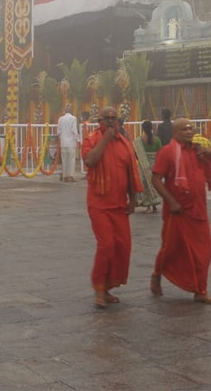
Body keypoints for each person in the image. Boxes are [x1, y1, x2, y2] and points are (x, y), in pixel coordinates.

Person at [150, 118, 211, 304]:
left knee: (204, 251)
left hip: (198, 210)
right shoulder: (167, 152)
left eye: (191, 128)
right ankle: (157, 274)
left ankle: (200, 290)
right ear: (175, 133)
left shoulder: (200, 150)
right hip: (177, 211)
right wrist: (171, 201)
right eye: (184, 129)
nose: (189, 131)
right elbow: (156, 180)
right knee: (170, 249)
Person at [81, 106, 144, 309]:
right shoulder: (91, 139)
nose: (110, 121)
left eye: (113, 118)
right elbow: (89, 160)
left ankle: (107, 288)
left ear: (118, 120)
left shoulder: (124, 143)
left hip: (119, 205)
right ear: (99, 120)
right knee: (106, 244)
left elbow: (131, 171)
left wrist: (132, 198)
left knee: (122, 247)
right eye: (106, 118)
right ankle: (99, 289)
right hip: (99, 203)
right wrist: (105, 140)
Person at [131, 120, 163, 213]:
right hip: (154, 165)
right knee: (153, 184)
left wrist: (142, 160)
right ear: (151, 128)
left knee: (145, 185)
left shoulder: (139, 141)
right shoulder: (157, 140)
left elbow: (135, 154)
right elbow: (160, 153)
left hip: (143, 165)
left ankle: (148, 205)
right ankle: (154, 204)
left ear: (143, 129)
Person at [57, 104, 80, 182]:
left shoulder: (60, 119)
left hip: (63, 142)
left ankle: (65, 176)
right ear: (71, 111)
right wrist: (78, 139)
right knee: (71, 159)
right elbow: (74, 130)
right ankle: (70, 176)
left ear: (65, 111)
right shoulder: (73, 118)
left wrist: (61, 138)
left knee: (64, 160)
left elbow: (58, 131)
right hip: (71, 142)